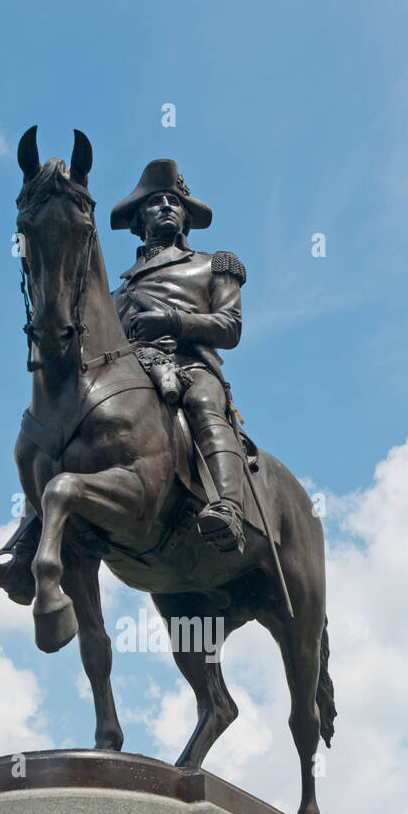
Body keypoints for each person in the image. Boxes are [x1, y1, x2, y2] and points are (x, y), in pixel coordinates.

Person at [111, 160, 248, 553]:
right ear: (139, 219)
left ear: (186, 216)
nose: (167, 206)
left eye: (175, 201)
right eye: (156, 202)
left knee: (203, 401)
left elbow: (230, 327)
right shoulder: (115, 294)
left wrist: (171, 321)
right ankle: (30, 536)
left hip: (190, 367)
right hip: (132, 374)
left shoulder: (213, 264)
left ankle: (229, 508)